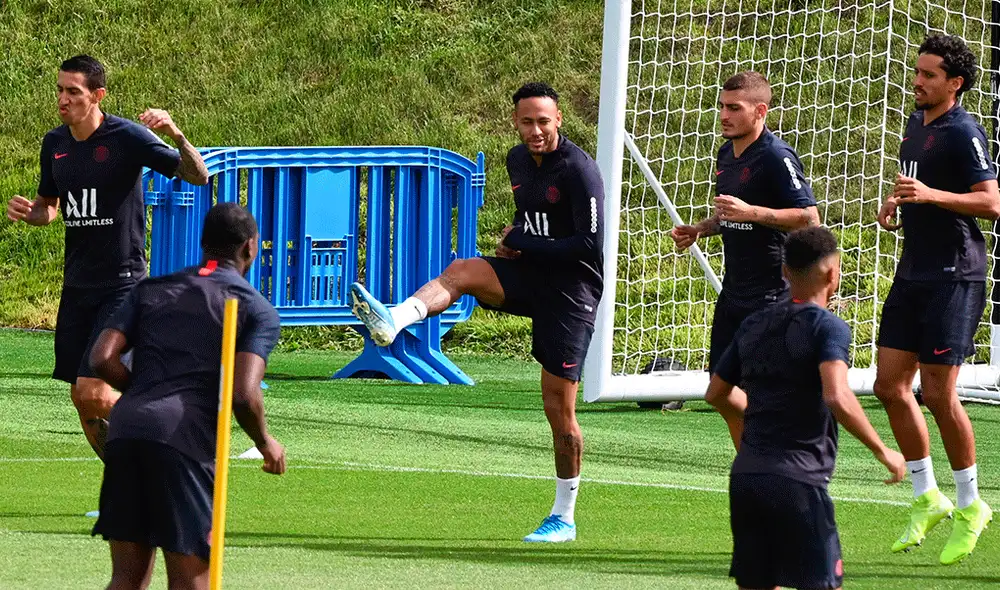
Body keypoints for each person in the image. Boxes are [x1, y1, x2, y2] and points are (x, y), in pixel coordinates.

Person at [349, 82, 603, 543]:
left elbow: (588, 244)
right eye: (526, 122)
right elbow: (533, 222)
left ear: (559, 119)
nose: (535, 130)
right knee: (462, 271)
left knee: (558, 409)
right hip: (531, 275)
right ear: (515, 122)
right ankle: (394, 320)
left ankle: (563, 516)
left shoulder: (580, 170)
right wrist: (516, 243)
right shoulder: (517, 160)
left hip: (572, 292)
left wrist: (520, 240)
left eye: (543, 121)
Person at [4, 54, 209, 463]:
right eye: (60, 90)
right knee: (84, 404)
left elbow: (198, 175)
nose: (63, 99)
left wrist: (176, 135)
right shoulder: (55, 144)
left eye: (73, 92)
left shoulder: (127, 137)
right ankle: (134, 483)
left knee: (94, 392)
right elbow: (49, 207)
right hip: (77, 287)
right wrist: (32, 213)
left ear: (97, 95)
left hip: (123, 285)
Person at [88, 203, 285, 590]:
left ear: (203, 243)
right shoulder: (254, 307)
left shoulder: (151, 289)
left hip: (126, 430)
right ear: (250, 246)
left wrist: (144, 392)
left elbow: (102, 358)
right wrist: (265, 442)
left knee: (125, 578)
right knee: (190, 581)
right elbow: (243, 395)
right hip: (182, 440)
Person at [706, 226, 906, 590]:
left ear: (784, 271)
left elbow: (716, 393)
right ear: (832, 274)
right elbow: (837, 395)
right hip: (799, 481)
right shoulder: (828, 327)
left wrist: (760, 411)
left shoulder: (753, 323)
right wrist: (884, 451)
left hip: (747, 478)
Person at [874, 34, 1000, 564]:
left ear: (955, 84)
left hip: (956, 274)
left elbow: (991, 203)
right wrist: (896, 200)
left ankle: (971, 504)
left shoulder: (965, 131)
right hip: (913, 271)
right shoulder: (915, 123)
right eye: (917, 71)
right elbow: (917, 183)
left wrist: (930, 196)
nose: (917, 81)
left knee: (938, 393)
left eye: (929, 75)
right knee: (888, 385)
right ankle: (928, 496)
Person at [671, 71, 819, 409]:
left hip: (772, 293)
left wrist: (751, 212)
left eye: (734, 108)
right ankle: (755, 444)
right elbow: (731, 216)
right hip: (734, 291)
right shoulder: (726, 154)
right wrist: (700, 229)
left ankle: (774, 442)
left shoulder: (776, 156)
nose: (724, 115)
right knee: (719, 391)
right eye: (722, 106)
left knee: (764, 394)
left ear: (760, 111)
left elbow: (810, 219)